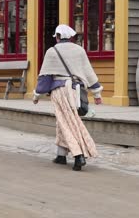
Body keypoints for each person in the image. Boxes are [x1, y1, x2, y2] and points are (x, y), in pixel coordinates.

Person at [33, 24, 103, 171]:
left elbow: (45, 77)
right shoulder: (80, 50)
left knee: (67, 122)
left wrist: (37, 95)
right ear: (70, 37)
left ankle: (79, 155)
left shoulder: (52, 51)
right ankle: (61, 155)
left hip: (61, 90)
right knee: (62, 121)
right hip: (76, 90)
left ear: (57, 37)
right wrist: (97, 94)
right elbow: (89, 73)